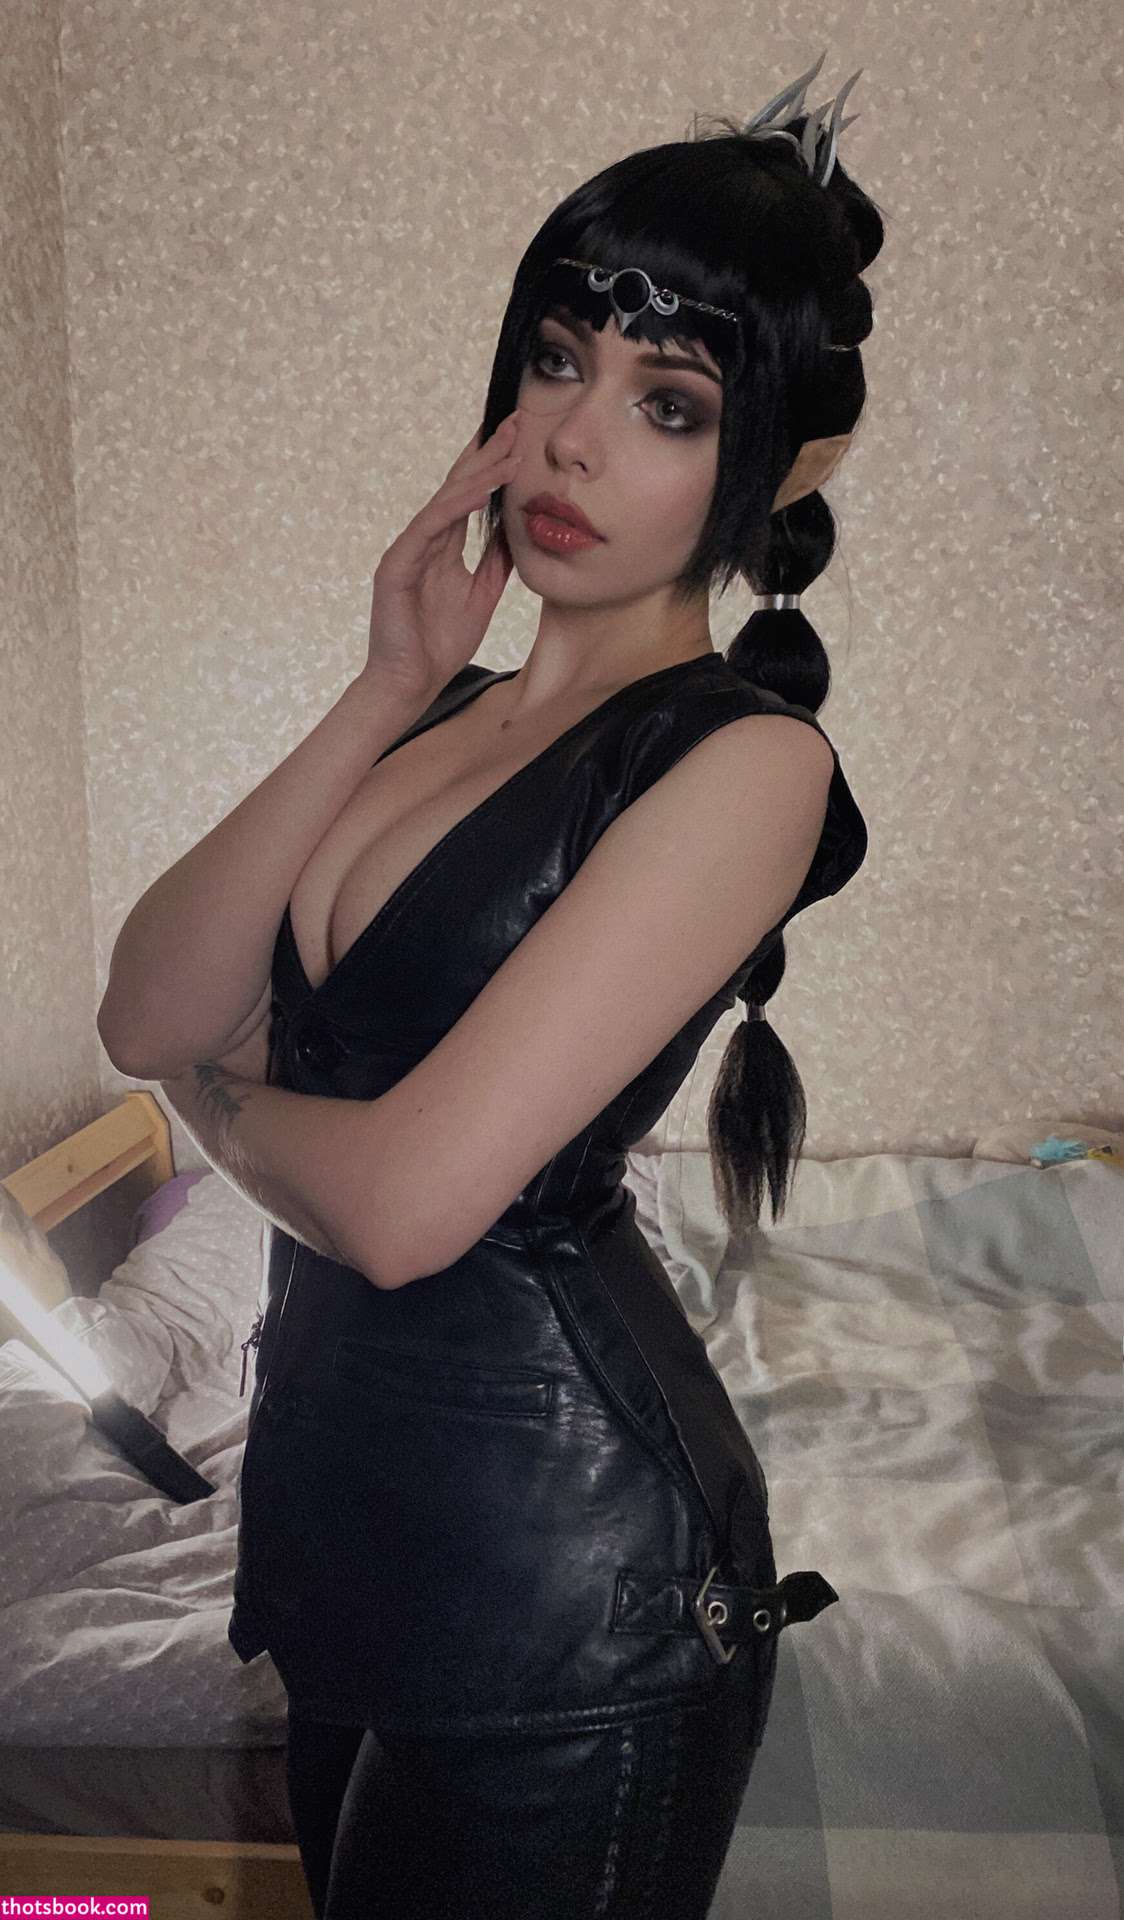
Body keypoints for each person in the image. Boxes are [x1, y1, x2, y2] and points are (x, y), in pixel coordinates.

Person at [226, 49, 886, 1918]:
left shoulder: (746, 761)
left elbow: (407, 1205)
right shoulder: (432, 707)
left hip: (578, 1608)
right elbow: (142, 1003)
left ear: (772, 466)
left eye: (668, 402)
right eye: (555, 360)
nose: (575, 441)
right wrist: (381, 678)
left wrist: (219, 1097)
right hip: (359, 1556)